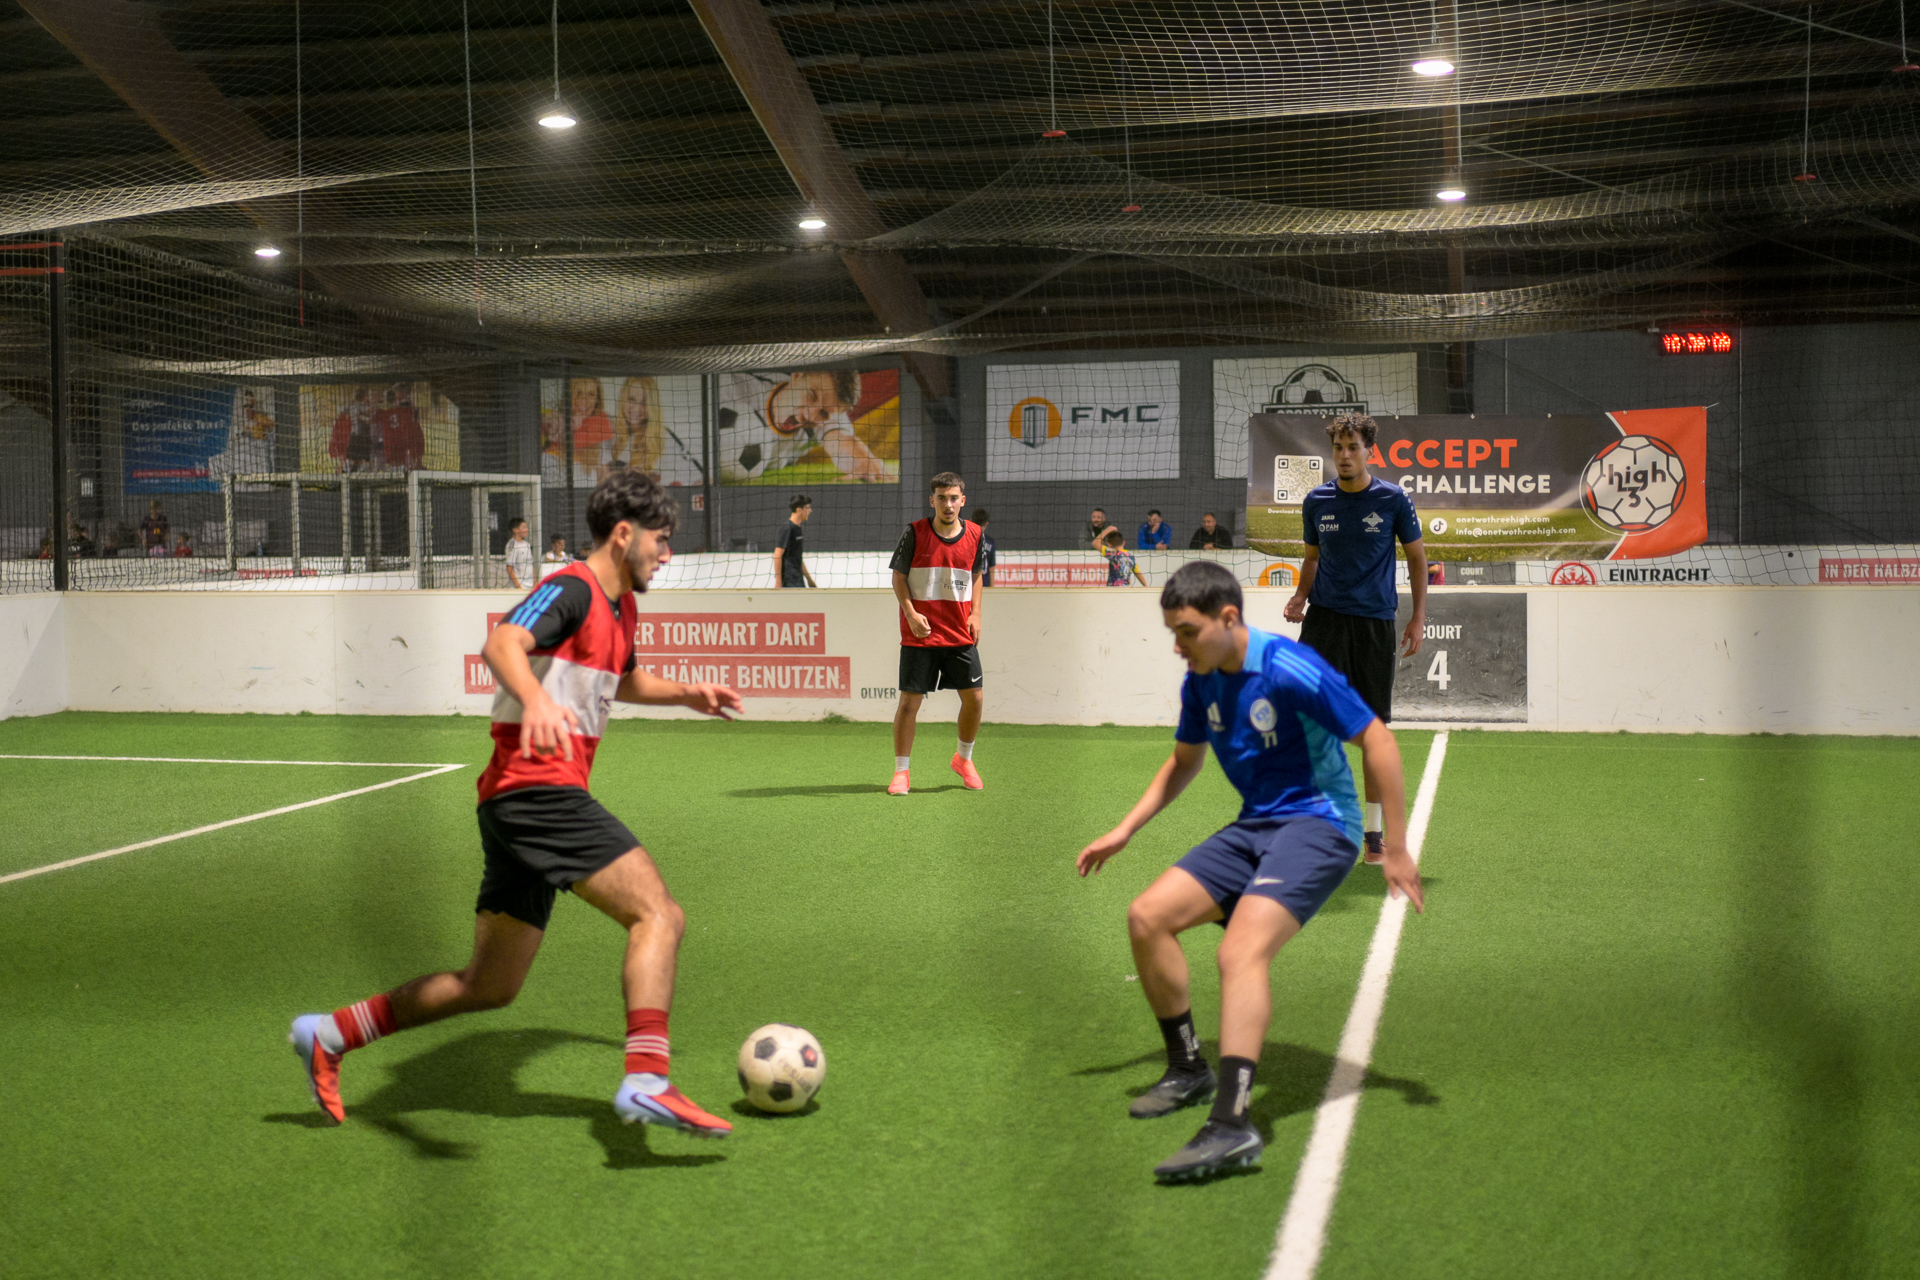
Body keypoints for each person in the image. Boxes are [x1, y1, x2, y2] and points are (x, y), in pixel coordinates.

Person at [288, 469, 744, 1137]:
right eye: (662, 540)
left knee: (489, 985)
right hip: (537, 790)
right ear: (624, 535)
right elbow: (502, 641)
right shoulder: (570, 588)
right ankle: (647, 1080)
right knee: (658, 915)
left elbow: (624, 678)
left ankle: (328, 1033)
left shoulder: (622, 607)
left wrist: (688, 694)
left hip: (516, 802)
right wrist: (535, 700)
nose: (667, 555)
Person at [1077, 561, 1422, 1183]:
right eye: (1173, 634)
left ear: (1228, 618)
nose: (1178, 647)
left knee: (1240, 952)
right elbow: (1184, 761)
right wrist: (1125, 829)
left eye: (1187, 632)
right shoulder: (1201, 679)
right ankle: (1188, 1068)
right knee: (1147, 917)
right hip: (1256, 824)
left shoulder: (1290, 667)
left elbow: (1379, 741)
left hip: (1320, 825)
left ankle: (1233, 1125)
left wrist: (1393, 846)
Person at [1283, 411, 1427, 866]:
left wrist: (1418, 617)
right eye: (1338, 448)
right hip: (1324, 622)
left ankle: (1373, 835)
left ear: (1370, 452)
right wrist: (1300, 596)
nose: (1344, 455)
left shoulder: (1393, 499)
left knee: (1372, 731)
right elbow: (1312, 558)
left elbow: (1417, 560)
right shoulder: (1316, 501)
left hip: (1373, 624)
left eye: (1353, 447)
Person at [888, 471, 986, 795]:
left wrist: (976, 613)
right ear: (932, 500)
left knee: (975, 699)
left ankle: (963, 759)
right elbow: (898, 577)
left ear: (963, 500)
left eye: (953, 498)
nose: (948, 504)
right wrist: (911, 613)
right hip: (921, 634)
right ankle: (901, 772)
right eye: (941, 498)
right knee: (909, 704)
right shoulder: (914, 532)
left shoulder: (975, 534)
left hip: (959, 632)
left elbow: (976, 574)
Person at [774, 494, 818, 588]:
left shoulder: (797, 528)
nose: (810, 510)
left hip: (798, 580)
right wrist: (778, 582)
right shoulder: (787, 528)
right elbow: (777, 555)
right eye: (808, 508)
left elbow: (797, 558)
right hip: (789, 581)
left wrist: (809, 580)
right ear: (799, 510)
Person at [503, 517, 534, 590]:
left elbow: (531, 565)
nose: (527, 529)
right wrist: (519, 587)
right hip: (518, 587)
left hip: (530, 586)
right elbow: (509, 568)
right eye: (524, 527)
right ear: (515, 530)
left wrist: (535, 583)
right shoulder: (512, 545)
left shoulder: (527, 545)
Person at [972, 509, 996, 586]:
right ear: (986, 524)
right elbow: (991, 568)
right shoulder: (990, 542)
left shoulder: (967, 540)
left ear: (971, 521)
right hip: (985, 584)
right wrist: (992, 587)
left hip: (970, 584)